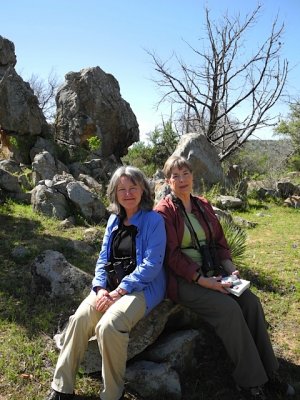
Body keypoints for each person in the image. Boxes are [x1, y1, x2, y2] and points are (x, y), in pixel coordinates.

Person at [155, 155, 295, 400]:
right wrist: (203, 280)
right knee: (229, 309)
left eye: (185, 173)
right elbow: (172, 256)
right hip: (185, 280)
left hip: (216, 273)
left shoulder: (203, 205)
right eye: (175, 175)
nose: (181, 179)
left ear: (193, 176)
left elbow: (220, 243)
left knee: (251, 303)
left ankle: (271, 371)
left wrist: (230, 269)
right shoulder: (164, 211)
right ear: (168, 181)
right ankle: (251, 381)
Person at [46, 166, 166, 400]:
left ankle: (112, 394)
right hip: (109, 287)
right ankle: (62, 388)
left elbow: (152, 264)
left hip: (141, 288)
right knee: (80, 318)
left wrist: (120, 291)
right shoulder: (113, 220)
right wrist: (101, 288)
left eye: (133, 187)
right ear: (114, 193)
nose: (128, 193)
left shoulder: (154, 221)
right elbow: (103, 258)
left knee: (108, 326)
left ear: (143, 190)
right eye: (122, 189)